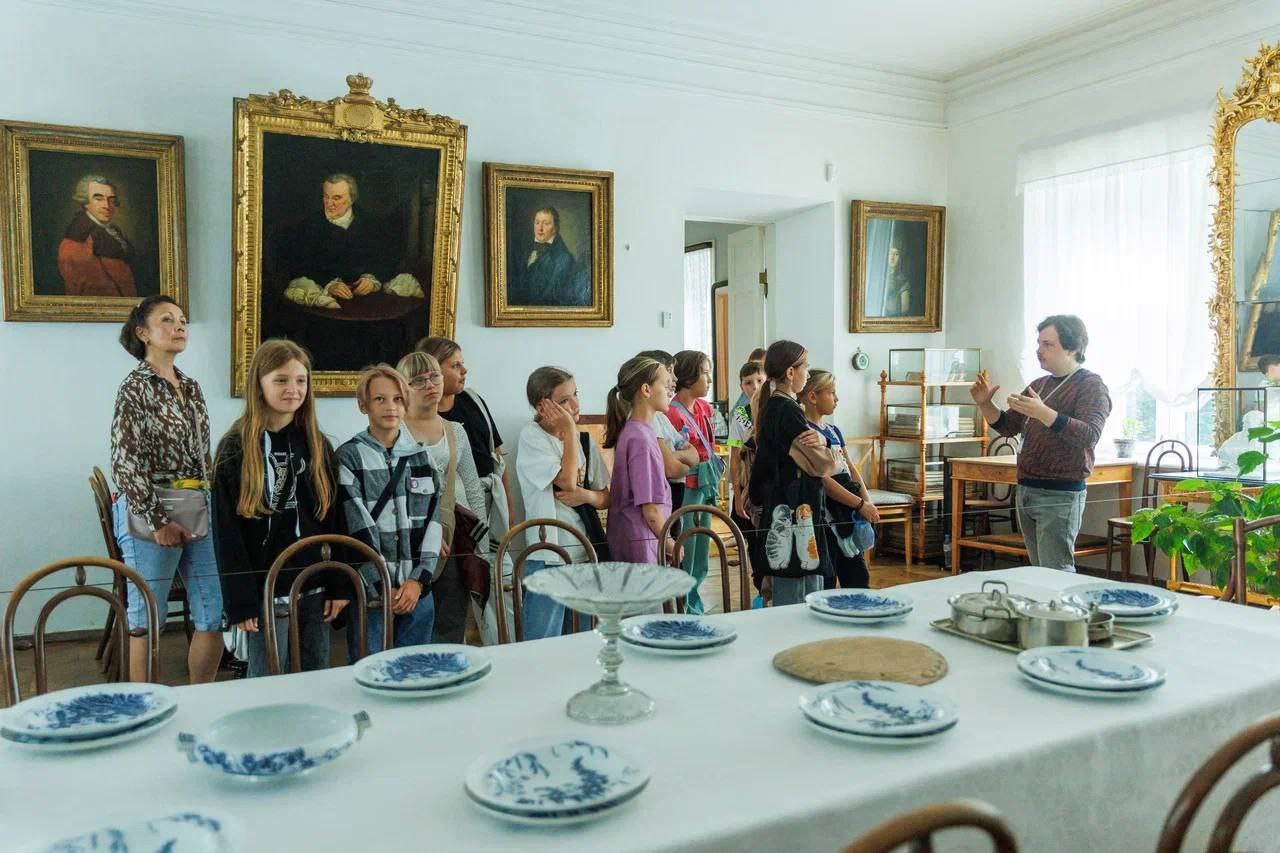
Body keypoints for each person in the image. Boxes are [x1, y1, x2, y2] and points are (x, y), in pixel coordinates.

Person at [211, 339, 347, 677]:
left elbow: (335, 520)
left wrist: (339, 585)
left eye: (301, 380)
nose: (293, 389)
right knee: (268, 676)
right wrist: (240, 602)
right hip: (264, 591)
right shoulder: (235, 448)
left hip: (312, 583)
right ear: (259, 383)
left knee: (316, 672)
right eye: (281, 380)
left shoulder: (317, 443)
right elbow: (226, 534)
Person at [110, 295, 223, 682]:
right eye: (167, 320)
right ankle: (143, 705)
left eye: (182, 320)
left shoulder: (190, 387)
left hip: (196, 505)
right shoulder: (134, 388)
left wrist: (214, 499)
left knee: (213, 609)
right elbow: (125, 463)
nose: (179, 326)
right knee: (148, 616)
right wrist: (158, 521)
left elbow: (202, 457)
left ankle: (200, 696)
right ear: (143, 333)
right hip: (150, 509)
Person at [969, 314, 1112, 571]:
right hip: (1027, 488)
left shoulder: (1091, 386)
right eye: (1039, 343)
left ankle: (1063, 612)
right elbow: (1007, 427)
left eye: (1048, 344)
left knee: (1056, 570)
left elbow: (1089, 434)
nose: (1039, 351)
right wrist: (984, 403)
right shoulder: (1039, 384)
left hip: (1060, 492)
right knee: (1038, 571)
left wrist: (1043, 413)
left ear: (1073, 348)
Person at [336, 365, 445, 658]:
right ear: (363, 405)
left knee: (415, 672)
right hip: (372, 593)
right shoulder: (348, 457)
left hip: (417, 591)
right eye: (380, 399)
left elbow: (434, 522)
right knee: (369, 669)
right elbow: (355, 524)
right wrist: (380, 581)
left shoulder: (422, 456)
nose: (390, 407)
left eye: (397, 399)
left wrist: (418, 580)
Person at [416, 336, 514, 644]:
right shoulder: (420, 423)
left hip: (487, 503)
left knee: (500, 584)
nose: (463, 370)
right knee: (452, 596)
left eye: (462, 364)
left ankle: (503, 650)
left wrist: (505, 511)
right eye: (455, 365)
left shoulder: (473, 401)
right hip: (449, 515)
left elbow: (497, 457)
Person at [396, 349, 490, 634]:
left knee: (450, 621)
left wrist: (481, 545)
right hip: (406, 541)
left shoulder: (455, 431)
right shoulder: (394, 429)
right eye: (419, 380)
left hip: (450, 538)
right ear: (403, 387)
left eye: (434, 376)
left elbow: (472, 487)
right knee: (411, 625)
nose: (430, 385)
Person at [515, 366, 610, 639]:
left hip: (584, 552)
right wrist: (568, 431)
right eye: (565, 400)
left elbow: (605, 496)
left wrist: (587, 497)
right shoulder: (532, 437)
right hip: (549, 555)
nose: (575, 404)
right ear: (542, 406)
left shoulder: (583, 440)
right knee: (543, 638)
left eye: (575, 394)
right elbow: (567, 482)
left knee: (580, 637)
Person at [748, 340, 838, 605]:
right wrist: (828, 446)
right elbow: (823, 465)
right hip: (792, 509)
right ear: (790, 372)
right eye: (804, 367)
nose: (807, 374)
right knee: (798, 596)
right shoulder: (786, 409)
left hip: (786, 506)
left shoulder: (777, 405)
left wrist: (822, 441)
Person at [279, 173, 422, 309]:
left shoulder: (372, 224)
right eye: (326, 197)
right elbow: (298, 264)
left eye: (337, 198)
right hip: (329, 303)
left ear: (352, 199)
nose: (329, 203)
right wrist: (329, 283)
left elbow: (387, 258)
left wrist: (373, 279)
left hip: (369, 301)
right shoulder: (308, 226)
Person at [800, 369, 880, 589]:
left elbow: (851, 469)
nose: (837, 398)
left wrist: (866, 501)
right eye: (831, 393)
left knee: (858, 577)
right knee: (827, 579)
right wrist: (859, 504)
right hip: (827, 517)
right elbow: (823, 479)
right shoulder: (806, 433)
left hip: (849, 511)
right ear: (813, 397)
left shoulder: (833, 431)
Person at [605, 356, 675, 564]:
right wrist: (670, 543)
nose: (670, 391)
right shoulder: (640, 438)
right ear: (646, 390)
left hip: (635, 538)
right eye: (665, 385)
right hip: (640, 541)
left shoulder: (637, 431)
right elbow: (650, 509)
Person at [665, 350, 719, 614]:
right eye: (705, 372)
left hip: (705, 484)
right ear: (687, 375)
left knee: (702, 545)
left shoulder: (704, 408)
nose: (709, 379)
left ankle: (695, 599)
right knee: (687, 544)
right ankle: (685, 605)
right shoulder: (672, 414)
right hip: (686, 488)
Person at [636, 350, 700, 510]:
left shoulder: (661, 417)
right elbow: (671, 468)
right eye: (669, 372)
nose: (675, 379)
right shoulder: (647, 420)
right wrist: (685, 465)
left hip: (674, 494)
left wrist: (674, 456)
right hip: (661, 498)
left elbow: (694, 455)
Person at [59, 175, 137, 297]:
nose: (107, 206)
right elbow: (92, 289)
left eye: (111, 200)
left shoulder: (112, 230)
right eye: (98, 199)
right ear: (85, 202)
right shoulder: (78, 237)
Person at [728, 361, 766, 587]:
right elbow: (734, 457)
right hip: (748, 481)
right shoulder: (740, 415)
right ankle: (759, 586)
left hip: (770, 483)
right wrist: (738, 491)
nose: (755, 387)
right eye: (748, 383)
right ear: (742, 387)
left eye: (760, 381)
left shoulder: (776, 408)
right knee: (752, 540)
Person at [509, 206, 589, 307]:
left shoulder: (564, 259)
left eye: (546, 224)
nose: (540, 228)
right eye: (537, 223)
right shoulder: (524, 250)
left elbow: (552, 297)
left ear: (555, 228)